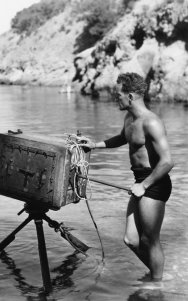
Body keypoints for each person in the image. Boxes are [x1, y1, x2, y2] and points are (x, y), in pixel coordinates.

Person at [82, 72, 174, 281]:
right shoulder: (129, 118)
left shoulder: (152, 122)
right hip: (141, 181)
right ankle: (158, 275)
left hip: (155, 182)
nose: (116, 98)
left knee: (150, 240)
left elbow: (167, 161)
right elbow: (123, 138)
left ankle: (157, 284)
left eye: (118, 94)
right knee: (131, 240)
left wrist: (145, 185)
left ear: (130, 96)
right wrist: (95, 145)